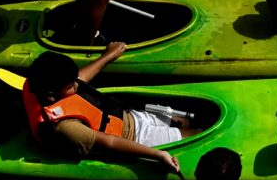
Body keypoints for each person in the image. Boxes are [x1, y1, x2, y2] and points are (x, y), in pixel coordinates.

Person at [23, 47, 204, 171]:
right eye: (71, 86)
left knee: (187, 122)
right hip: (136, 139)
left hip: (131, 117)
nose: (77, 86)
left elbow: (80, 79)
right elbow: (111, 142)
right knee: (198, 134)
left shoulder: (41, 84)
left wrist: (108, 56)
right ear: (50, 95)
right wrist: (159, 155)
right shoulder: (64, 127)